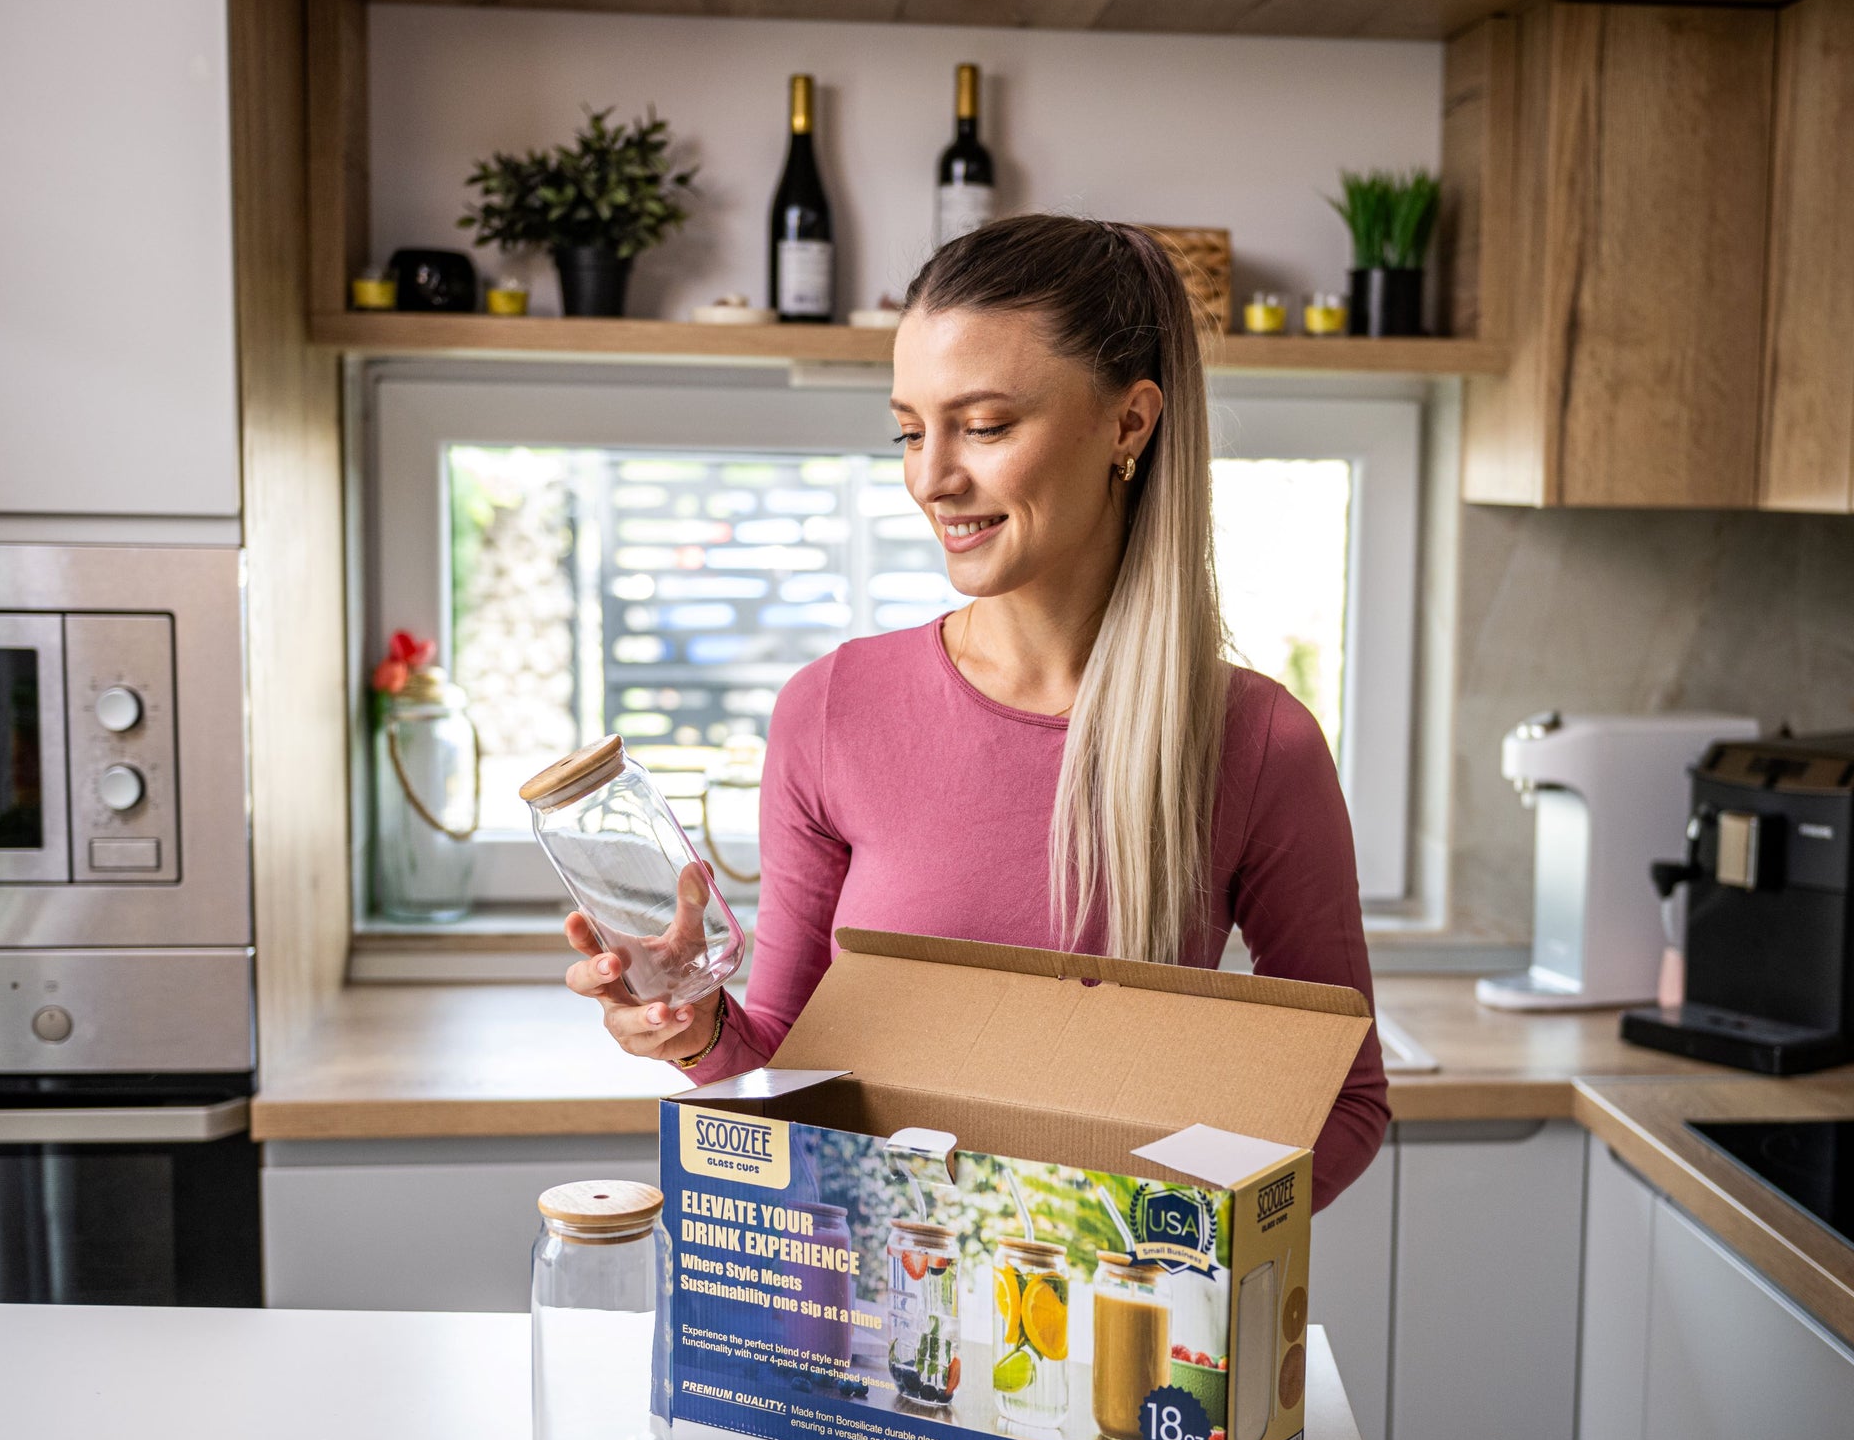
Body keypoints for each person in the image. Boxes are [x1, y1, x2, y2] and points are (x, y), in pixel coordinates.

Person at [563, 214, 1387, 1209]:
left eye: (985, 426)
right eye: (910, 429)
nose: (930, 476)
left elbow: (1346, 1102)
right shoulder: (832, 712)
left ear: (1129, 423)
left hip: (1125, 1336)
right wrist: (694, 1026)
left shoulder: (1257, 744)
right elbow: (781, 1068)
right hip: (865, 1315)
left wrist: (1178, 1254)